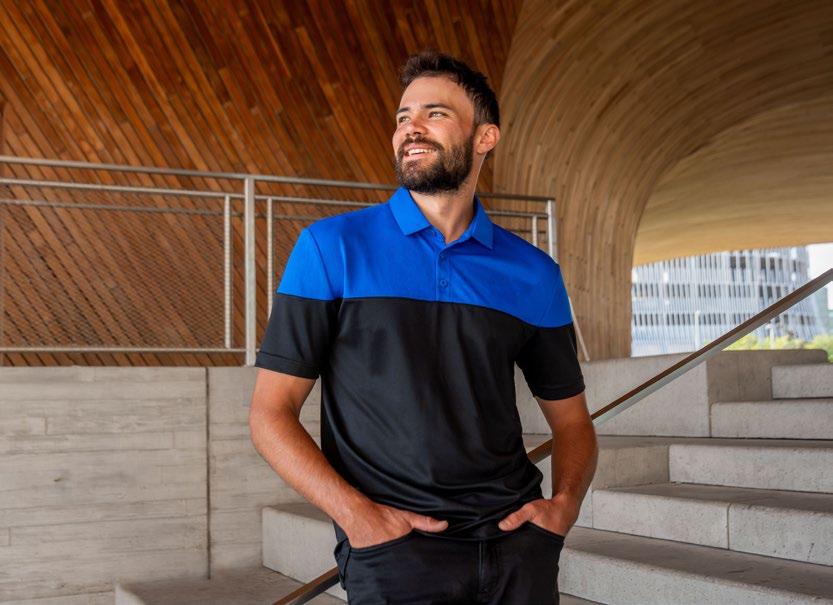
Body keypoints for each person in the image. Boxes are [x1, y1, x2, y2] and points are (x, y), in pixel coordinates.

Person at [249, 49, 598, 604]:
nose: (410, 128)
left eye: (435, 113)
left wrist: (563, 509)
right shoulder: (331, 247)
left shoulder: (533, 273)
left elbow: (573, 422)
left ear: (485, 137)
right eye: (402, 116)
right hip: (396, 553)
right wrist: (358, 518)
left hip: (517, 551)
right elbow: (270, 414)